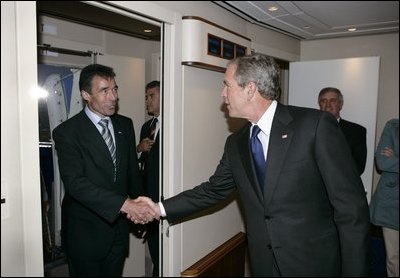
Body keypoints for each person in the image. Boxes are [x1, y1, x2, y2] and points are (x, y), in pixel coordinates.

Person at [142, 53, 370, 276]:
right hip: (262, 264)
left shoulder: (315, 126)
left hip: (313, 263)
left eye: (227, 85)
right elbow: (212, 190)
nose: (223, 93)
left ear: (250, 89)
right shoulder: (236, 143)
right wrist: (158, 209)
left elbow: (351, 208)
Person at [52, 64, 155, 277]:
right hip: (85, 234)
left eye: (115, 89)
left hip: (118, 232)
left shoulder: (125, 125)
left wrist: (140, 214)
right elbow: (75, 184)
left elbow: (131, 174)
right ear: (86, 94)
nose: (113, 97)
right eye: (104, 91)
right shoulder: (67, 132)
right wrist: (126, 205)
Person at [136, 80, 161, 277]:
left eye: (151, 96)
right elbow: (141, 162)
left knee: (165, 252)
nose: (147, 101)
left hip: (165, 196)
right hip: (148, 197)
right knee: (154, 248)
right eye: (146, 97)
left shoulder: (174, 124)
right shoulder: (147, 126)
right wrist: (138, 149)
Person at [369, 118, 399, 277]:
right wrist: (392, 160)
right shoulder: (393, 126)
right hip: (392, 204)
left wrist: (396, 158)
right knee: (394, 258)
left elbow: (391, 162)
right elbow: (382, 162)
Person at [318, 87, 367, 175]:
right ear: (320, 105)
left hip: (342, 186)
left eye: (333, 100)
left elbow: (358, 167)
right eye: (324, 101)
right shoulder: (309, 129)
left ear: (340, 105)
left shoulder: (357, 132)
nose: (328, 105)